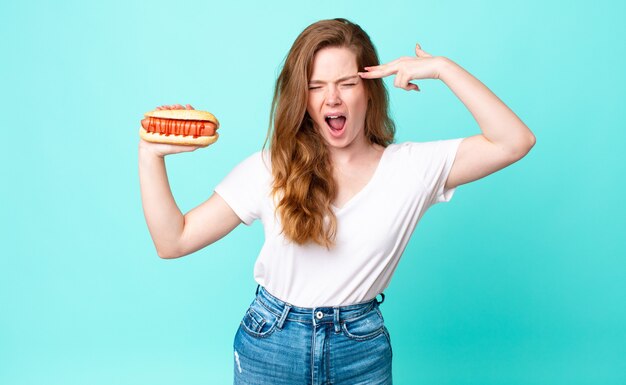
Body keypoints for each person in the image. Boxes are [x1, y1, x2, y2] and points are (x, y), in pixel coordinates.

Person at [139, 17, 535, 385]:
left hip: (359, 347)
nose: (332, 98)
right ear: (303, 98)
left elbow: (514, 141)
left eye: (346, 82)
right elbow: (173, 241)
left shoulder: (412, 169)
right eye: (315, 86)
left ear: (369, 89)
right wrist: (150, 154)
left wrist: (444, 69)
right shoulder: (271, 168)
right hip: (270, 342)